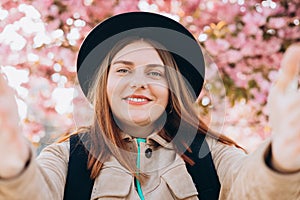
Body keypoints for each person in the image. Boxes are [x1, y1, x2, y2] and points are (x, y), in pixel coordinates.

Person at [0, 12, 299, 200]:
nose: (138, 82)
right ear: (104, 85)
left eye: (155, 72)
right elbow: (34, 191)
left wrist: (282, 162)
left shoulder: (212, 154)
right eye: (123, 70)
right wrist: (13, 172)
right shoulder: (67, 156)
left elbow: (254, 188)